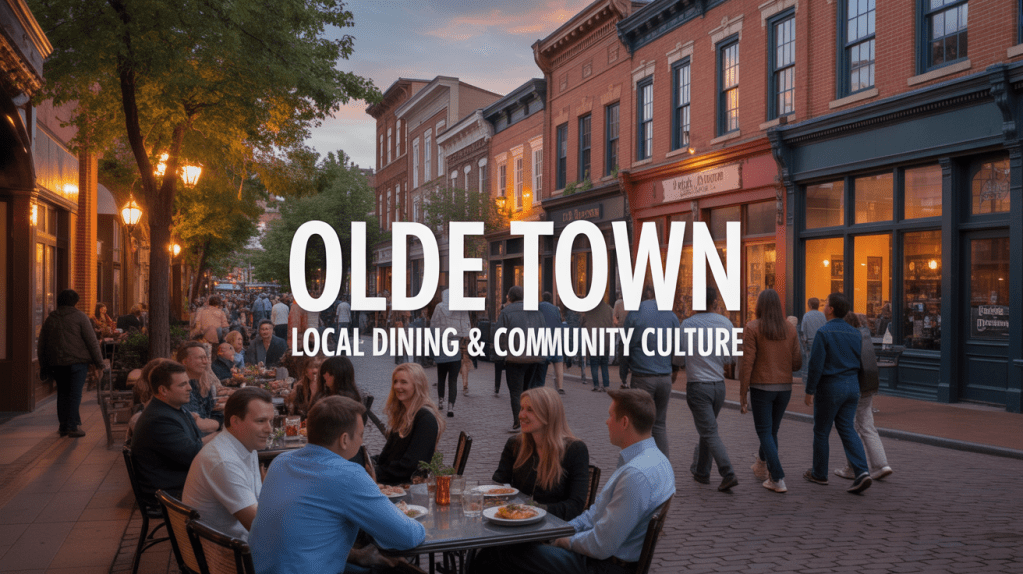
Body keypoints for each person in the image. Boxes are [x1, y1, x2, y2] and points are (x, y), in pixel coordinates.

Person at [468, 389, 674, 574]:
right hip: (602, 558)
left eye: (611, 415)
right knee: (502, 550)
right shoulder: (655, 460)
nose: (606, 421)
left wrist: (563, 541)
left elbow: (601, 544)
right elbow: (594, 515)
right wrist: (561, 532)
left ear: (625, 422)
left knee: (499, 553)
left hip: (603, 566)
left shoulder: (636, 474)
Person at [249, 396, 425, 574]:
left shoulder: (280, 462)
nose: (361, 441)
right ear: (344, 440)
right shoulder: (348, 475)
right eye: (361, 435)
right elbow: (406, 536)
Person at [182, 387, 274, 541]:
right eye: (261, 421)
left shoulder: (246, 444)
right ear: (235, 422)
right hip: (225, 550)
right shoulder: (223, 462)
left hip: (234, 542)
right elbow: (260, 529)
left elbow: (258, 502)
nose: (269, 429)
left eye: (270, 421)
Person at [803, 292, 873, 494]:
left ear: (831, 309)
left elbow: (816, 364)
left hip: (831, 386)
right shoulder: (855, 333)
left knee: (821, 431)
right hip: (852, 385)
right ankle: (862, 471)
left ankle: (819, 473)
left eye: (825, 304)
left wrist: (809, 390)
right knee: (847, 428)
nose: (824, 306)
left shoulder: (823, 332)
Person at [739, 289, 802, 493]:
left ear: (759, 305)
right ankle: (761, 464)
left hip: (761, 386)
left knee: (765, 432)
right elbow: (797, 362)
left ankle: (777, 477)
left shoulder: (752, 327)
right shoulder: (789, 329)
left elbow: (747, 362)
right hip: (784, 387)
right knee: (772, 431)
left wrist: (743, 393)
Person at [493, 387, 589, 520]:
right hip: (514, 522)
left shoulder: (574, 449)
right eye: (522, 408)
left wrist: (533, 511)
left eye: (530, 410)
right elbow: (500, 483)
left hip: (553, 527)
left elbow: (575, 506)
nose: (521, 415)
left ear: (548, 415)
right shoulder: (515, 444)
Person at [681, 286, 738, 491]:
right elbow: (731, 358)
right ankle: (702, 472)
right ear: (714, 301)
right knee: (707, 429)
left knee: (709, 431)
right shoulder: (726, 323)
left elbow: (678, 356)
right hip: (718, 386)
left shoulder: (687, 324)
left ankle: (727, 472)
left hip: (698, 385)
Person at [131, 360, 213, 501]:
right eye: (182, 385)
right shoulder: (159, 419)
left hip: (179, 483)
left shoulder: (172, 409)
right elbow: (194, 455)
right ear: (163, 390)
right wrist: (224, 435)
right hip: (170, 495)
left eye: (188, 383)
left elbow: (196, 442)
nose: (190, 388)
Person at [833, 313, 893, 482]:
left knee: (849, 428)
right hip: (868, 387)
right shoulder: (865, 337)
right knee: (868, 426)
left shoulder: (847, 338)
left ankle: (853, 467)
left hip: (853, 387)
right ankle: (882, 465)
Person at [37, 289, 105, 437]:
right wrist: (100, 363)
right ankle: (72, 427)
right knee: (74, 394)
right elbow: (92, 342)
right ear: (75, 302)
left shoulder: (51, 318)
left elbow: (41, 343)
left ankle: (63, 426)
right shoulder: (80, 317)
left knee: (62, 393)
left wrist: (43, 364)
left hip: (57, 363)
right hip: (77, 362)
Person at [622, 285, 679, 457]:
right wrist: (674, 370)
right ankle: (663, 466)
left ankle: (641, 465)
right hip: (664, 378)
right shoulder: (670, 314)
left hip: (642, 377)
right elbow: (678, 346)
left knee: (639, 426)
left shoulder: (635, 313)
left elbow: (625, 345)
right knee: (659, 425)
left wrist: (623, 373)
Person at [374, 363, 445, 485]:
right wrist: (367, 464)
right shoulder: (404, 414)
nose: (397, 386)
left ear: (417, 385)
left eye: (404, 382)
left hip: (409, 487)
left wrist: (373, 473)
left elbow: (410, 466)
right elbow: (386, 456)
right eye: (395, 382)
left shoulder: (425, 419)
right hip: (395, 481)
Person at [495, 285, 545, 433]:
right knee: (528, 391)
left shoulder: (506, 312)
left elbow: (500, 335)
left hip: (514, 358)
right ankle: (530, 422)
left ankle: (519, 423)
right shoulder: (536, 311)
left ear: (510, 297)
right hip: (534, 357)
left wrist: (500, 355)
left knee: (516, 392)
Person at [431, 289, 470, 417]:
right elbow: (466, 329)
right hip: (455, 349)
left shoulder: (439, 307)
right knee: (453, 381)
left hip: (442, 348)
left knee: (441, 377)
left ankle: (440, 401)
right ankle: (451, 407)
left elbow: (433, 327)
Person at [177, 341, 223, 434]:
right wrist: (220, 424)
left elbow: (215, 412)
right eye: (200, 358)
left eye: (205, 358)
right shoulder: (181, 388)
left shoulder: (201, 384)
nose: (205, 362)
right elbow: (197, 425)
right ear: (185, 361)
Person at [535, 292, 565, 394]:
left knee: (543, 363)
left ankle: (541, 386)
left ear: (542, 298)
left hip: (544, 338)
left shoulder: (539, 306)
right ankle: (560, 387)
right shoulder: (556, 309)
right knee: (558, 363)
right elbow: (559, 322)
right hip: (555, 338)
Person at [581, 298, 613, 392]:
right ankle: (606, 385)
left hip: (593, 339)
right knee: (604, 363)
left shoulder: (588, 309)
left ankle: (596, 385)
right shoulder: (609, 309)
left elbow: (582, 322)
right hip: (605, 339)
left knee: (594, 363)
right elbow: (612, 323)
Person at [799, 297, 827, 382]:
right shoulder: (823, 316)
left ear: (810, 305)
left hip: (810, 342)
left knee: (810, 361)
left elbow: (803, 331)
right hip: (822, 341)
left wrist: (804, 344)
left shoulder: (806, 315)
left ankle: (810, 380)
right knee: (821, 361)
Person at [612, 296, 628, 388]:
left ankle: (624, 380)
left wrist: (616, 325)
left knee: (622, 353)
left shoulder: (618, 303)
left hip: (621, 329)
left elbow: (614, 317)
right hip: (632, 330)